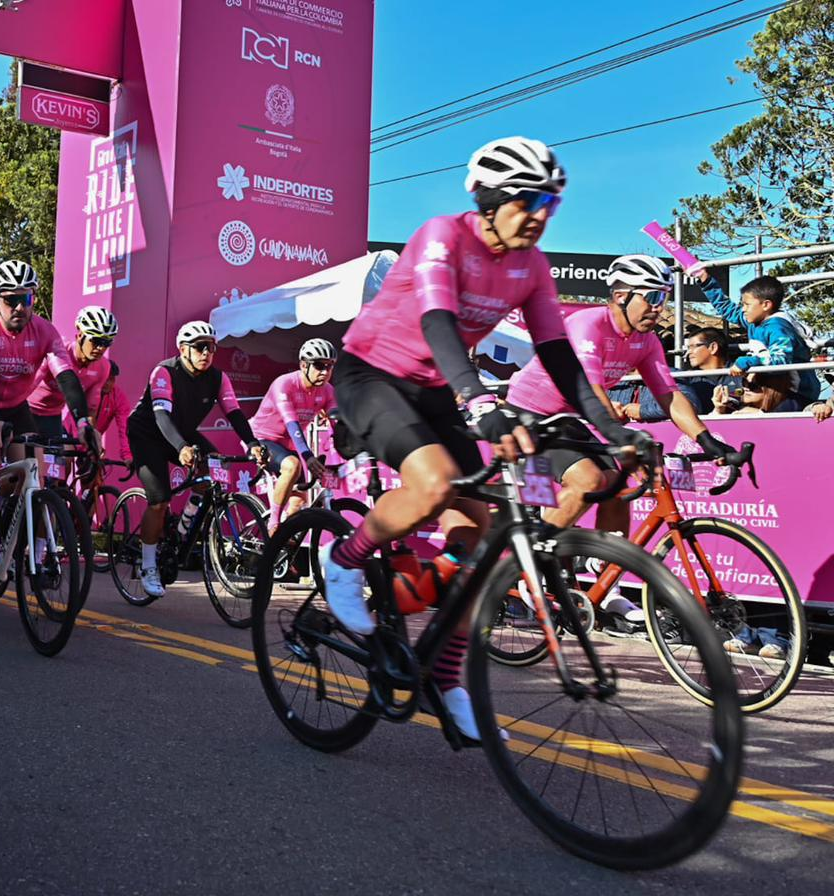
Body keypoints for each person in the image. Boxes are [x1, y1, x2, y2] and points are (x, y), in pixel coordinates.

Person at [323, 136, 646, 741]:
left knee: (481, 539)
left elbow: (558, 354)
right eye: (531, 201)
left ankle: (444, 673)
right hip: (372, 374)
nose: (542, 214)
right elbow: (437, 320)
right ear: (492, 201)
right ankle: (344, 559)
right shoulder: (443, 235)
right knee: (435, 485)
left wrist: (612, 431)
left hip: (435, 387)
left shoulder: (532, 265)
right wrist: (478, 401)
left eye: (551, 203)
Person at [505, 254, 734, 627]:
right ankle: (532, 567)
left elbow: (669, 394)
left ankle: (606, 582)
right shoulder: (588, 325)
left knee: (616, 486)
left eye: (664, 298)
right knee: (589, 480)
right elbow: (593, 392)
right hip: (529, 412)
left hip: (570, 415)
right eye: (652, 297)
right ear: (621, 296)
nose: (659, 308)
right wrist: (623, 435)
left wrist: (706, 440)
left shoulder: (646, 340)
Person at [0, 260, 97, 575]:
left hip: (16, 407)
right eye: (11, 299)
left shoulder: (45, 331)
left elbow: (66, 376)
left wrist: (83, 421)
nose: (19, 306)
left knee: (33, 472)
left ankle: (0, 512)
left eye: (26, 298)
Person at [126, 320, 268, 599]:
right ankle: (148, 564)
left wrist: (252, 443)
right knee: (159, 500)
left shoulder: (218, 378)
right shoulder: (165, 371)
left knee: (212, 470)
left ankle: (181, 529)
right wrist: (181, 447)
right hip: (148, 434)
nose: (206, 353)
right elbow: (161, 416)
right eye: (200, 347)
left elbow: (234, 413)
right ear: (183, 349)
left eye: (211, 347)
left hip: (182, 432)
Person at [697, 269, 821, 410]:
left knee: (758, 415)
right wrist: (706, 281)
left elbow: (781, 361)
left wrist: (747, 361)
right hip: (773, 391)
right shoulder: (755, 321)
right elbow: (728, 309)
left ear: (766, 305)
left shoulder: (778, 328)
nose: (743, 309)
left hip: (795, 393)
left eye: (747, 304)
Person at [250, 338, 338, 533]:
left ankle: (285, 541)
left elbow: (337, 424)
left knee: (298, 502)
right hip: (262, 439)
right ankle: (273, 526)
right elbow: (291, 423)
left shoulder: (327, 390)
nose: (325, 372)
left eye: (330, 366)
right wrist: (308, 456)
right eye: (319, 365)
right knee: (292, 466)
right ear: (303, 365)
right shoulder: (284, 384)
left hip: (289, 445)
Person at [28, 305, 117, 440]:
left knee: (58, 453)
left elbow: (90, 409)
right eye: (96, 341)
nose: (100, 348)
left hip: (52, 416)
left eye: (106, 343)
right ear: (80, 335)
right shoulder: (59, 350)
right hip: (27, 409)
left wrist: (89, 436)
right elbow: (29, 384)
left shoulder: (103, 367)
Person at [608, 326, 735, 420]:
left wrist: (643, 411)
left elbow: (691, 406)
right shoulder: (613, 381)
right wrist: (607, 408)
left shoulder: (671, 376)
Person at [66, 361, 131, 466]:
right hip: (70, 432)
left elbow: (124, 427)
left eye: (112, 379)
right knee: (66, 460)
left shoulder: (118, 397)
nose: (108, 383)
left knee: (95, 470)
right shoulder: (86, 388)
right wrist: (88, 447)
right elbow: (77, 419)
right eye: (106, 379)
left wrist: (127, 455)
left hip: (91, 438)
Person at [713, 370, 796, 415]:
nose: (745, 388)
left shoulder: (791, 404)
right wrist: (719, 411)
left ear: (773, 387)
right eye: (744, 382)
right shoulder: (734, 403)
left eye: (752, 385)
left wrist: (759, 414)